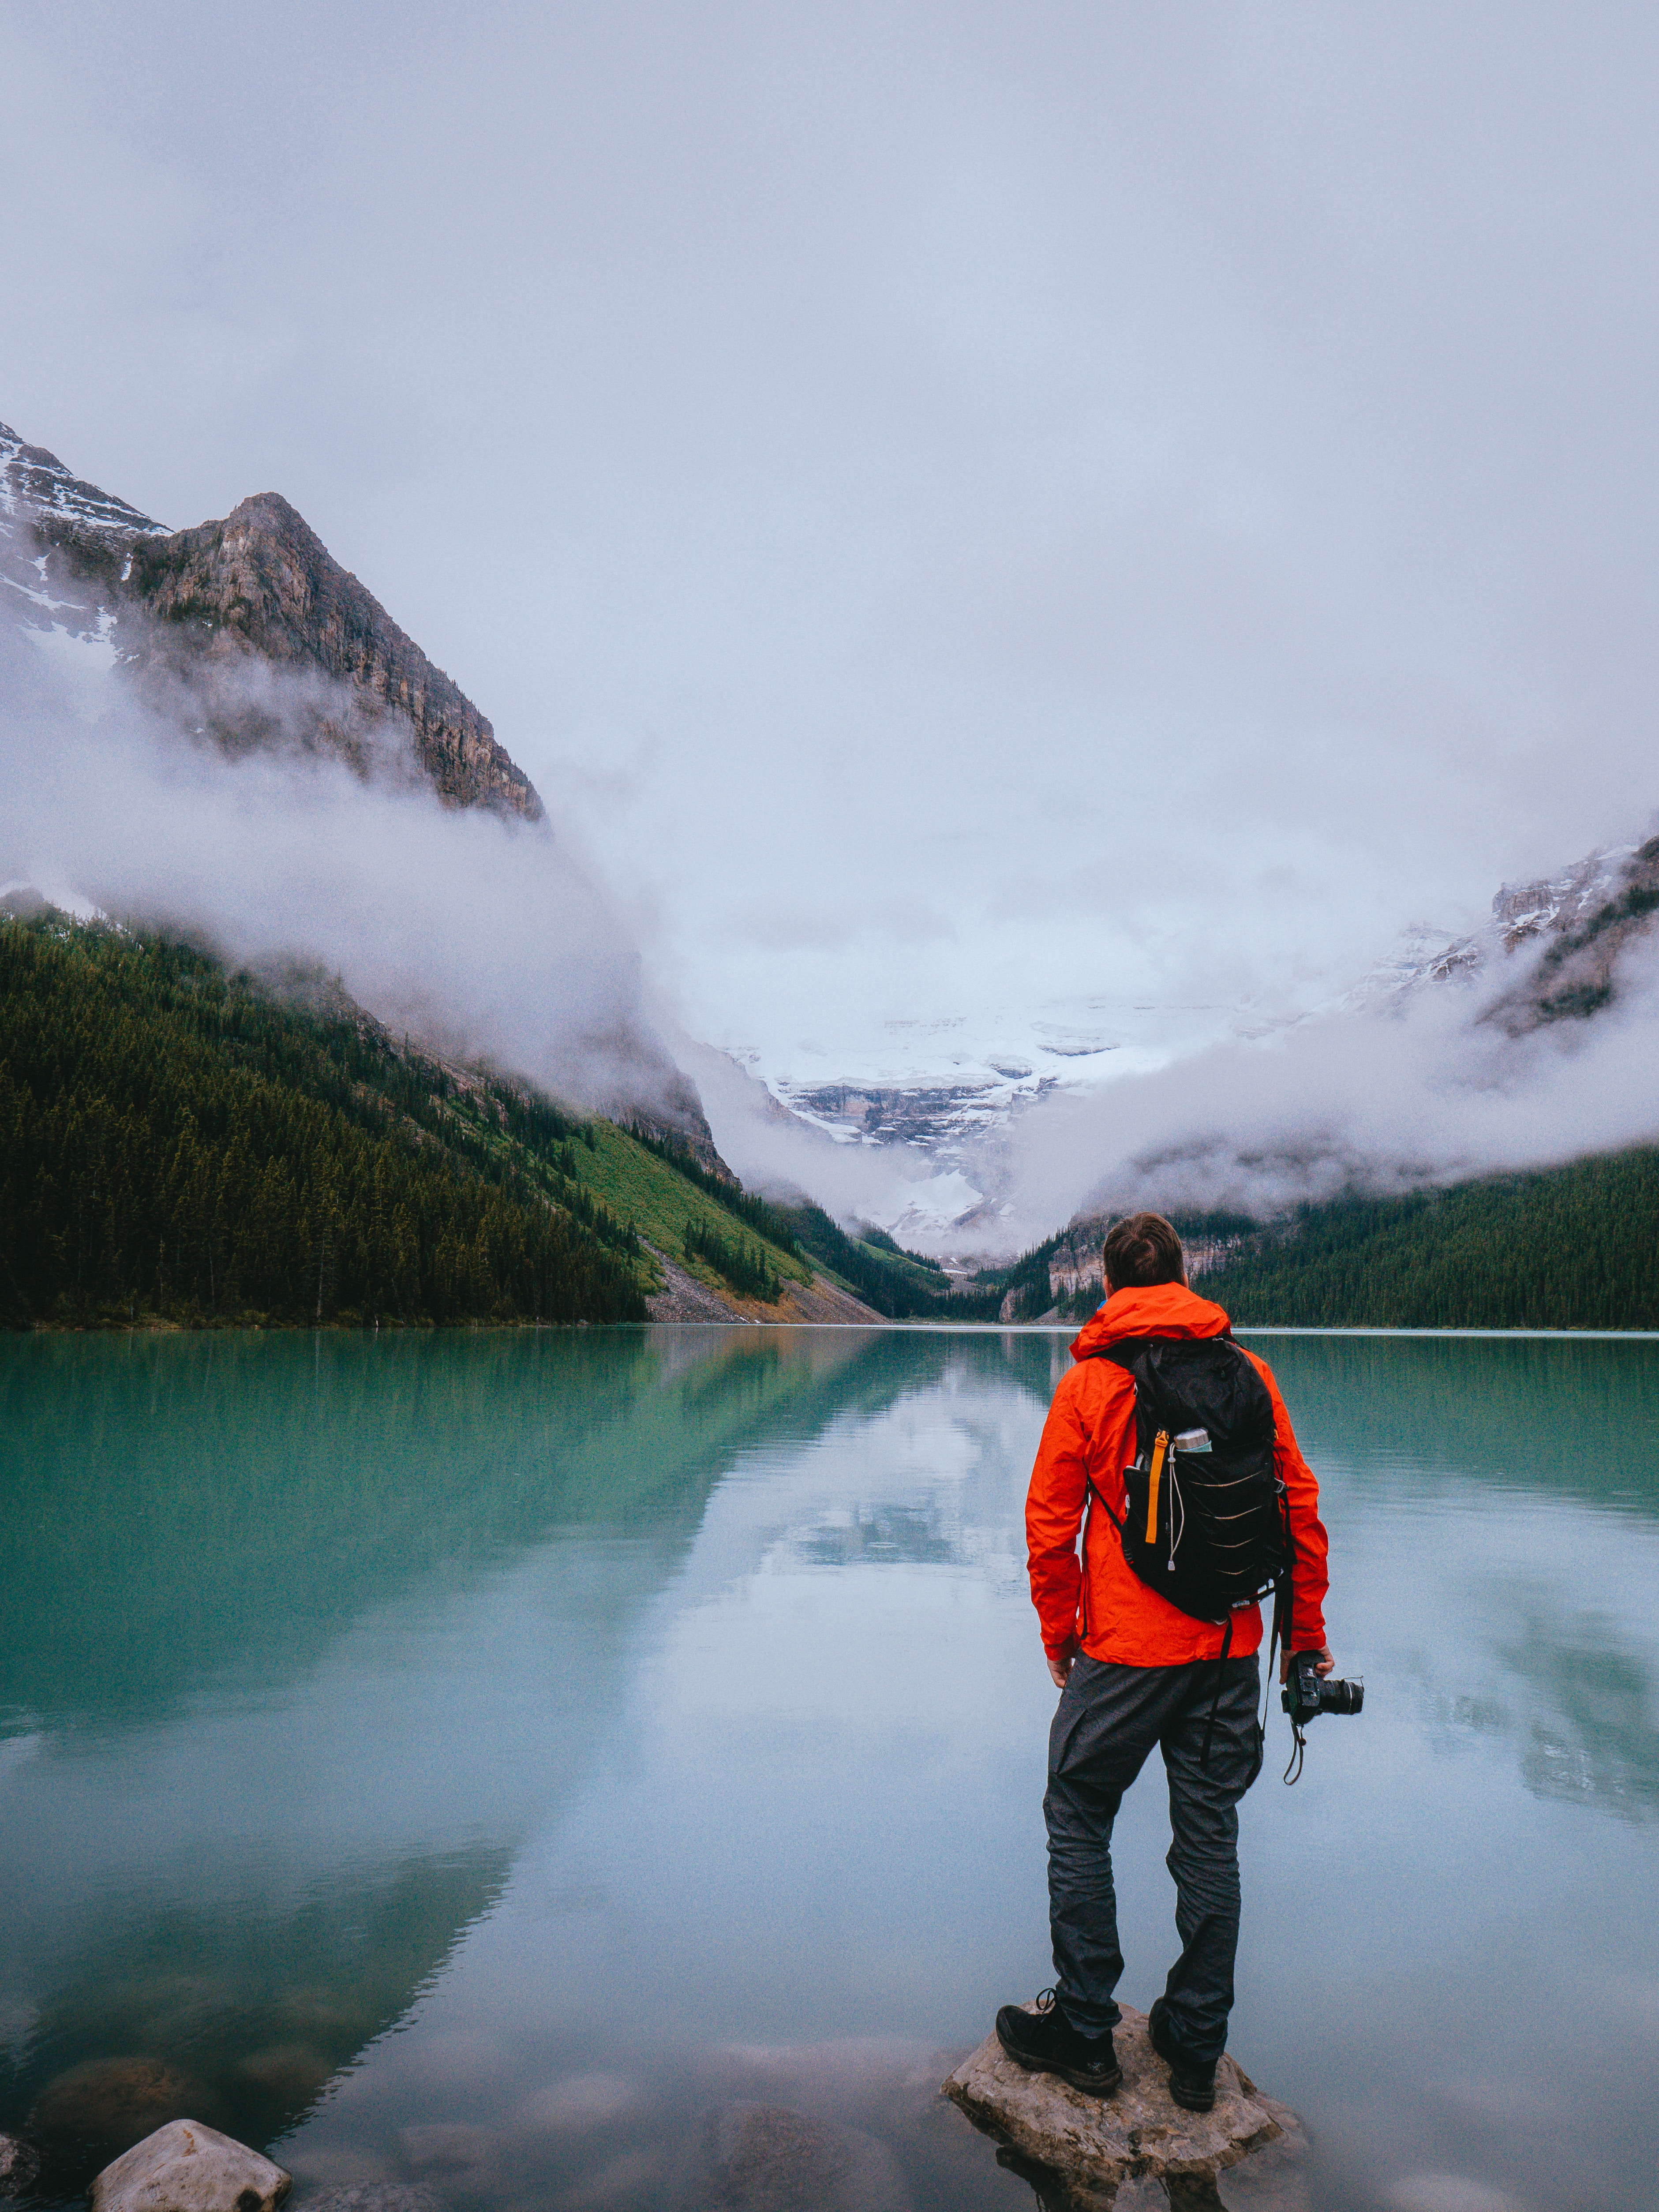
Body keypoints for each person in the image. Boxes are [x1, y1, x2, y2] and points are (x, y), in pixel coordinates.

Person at [995, 1211, 1331, 2111]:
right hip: (1229, 1646)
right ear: (1184, 1278)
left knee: (1077, 1807)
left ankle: (1085, 2033)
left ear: (1107, 1285)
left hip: (1127, 1655)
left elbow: (1048, 1527)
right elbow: (1298, 1506)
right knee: (1209, 1837)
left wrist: (1058, 1636)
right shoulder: (1248, 1372)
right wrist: (1307, 1644)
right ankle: (1193, 2050)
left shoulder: (1091, 1386)